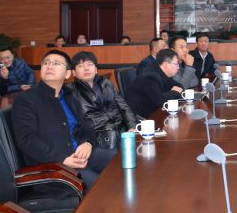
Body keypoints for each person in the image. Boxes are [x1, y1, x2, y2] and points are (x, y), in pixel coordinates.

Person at [11, 50, 115, 190]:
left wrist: (88, 143)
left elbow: (87, 125)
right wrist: (62, 159)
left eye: (56, 63)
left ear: (67, 74)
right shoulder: (26, 99)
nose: (49, 66)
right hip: (53, 166)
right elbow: (27, 140)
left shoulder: (69, 96)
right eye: (46, 63)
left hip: (80, 155)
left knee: (123, 161)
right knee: (103, 187)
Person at [68, 51, 136, 150]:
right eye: (81, 66)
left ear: (96, 69)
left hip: (123, 132)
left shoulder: (106, 83)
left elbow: (124, 107)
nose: (86, 68)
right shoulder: (70, 92)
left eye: (90, 64)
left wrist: (132, 127)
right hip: (98, 139)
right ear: (73, 72)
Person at [125, 48, 184, 118]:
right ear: (166, 65)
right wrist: (175, 92)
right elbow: (159, 100)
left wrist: (176, 91)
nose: (178, 67)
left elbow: (179, 86)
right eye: (176, 64)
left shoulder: (163, 73)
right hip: (142, 117)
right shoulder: (150, 76)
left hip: (155, 111)